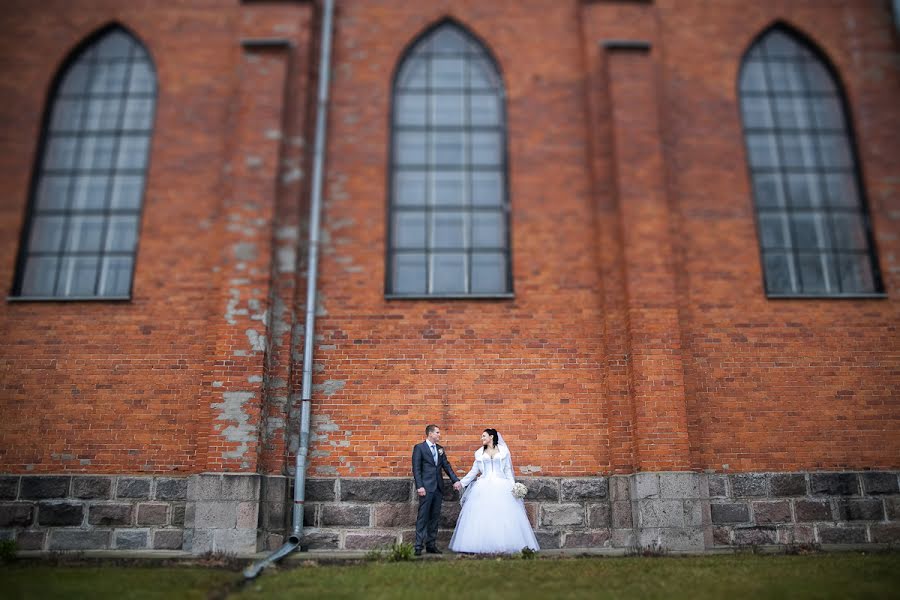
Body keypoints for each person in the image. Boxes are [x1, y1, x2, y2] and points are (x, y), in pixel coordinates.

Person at [449, 428, 540, 554]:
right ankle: (478, 545)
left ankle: (504, 545)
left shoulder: (503, 451)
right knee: (482, 516)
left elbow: (508, 471)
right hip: (483, 486)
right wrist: (462, 483)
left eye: (483, 436)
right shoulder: (479, 453)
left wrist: (513, 487)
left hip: (501, 485)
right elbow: (474, 471)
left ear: (491, 437)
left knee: (503, 516)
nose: (482, 438)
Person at [411, 423, 462, 556]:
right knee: (423, 517)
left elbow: (446, 466)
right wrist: (419, 486)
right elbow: (416, 469)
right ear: (430, 434)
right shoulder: (419, 448)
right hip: (426, 488)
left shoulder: (440, 449)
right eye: (437, 432)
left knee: (434, 517)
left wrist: (455, 480)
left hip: (438, 488)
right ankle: (418, 546)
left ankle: (431, 545)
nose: (439, 435)